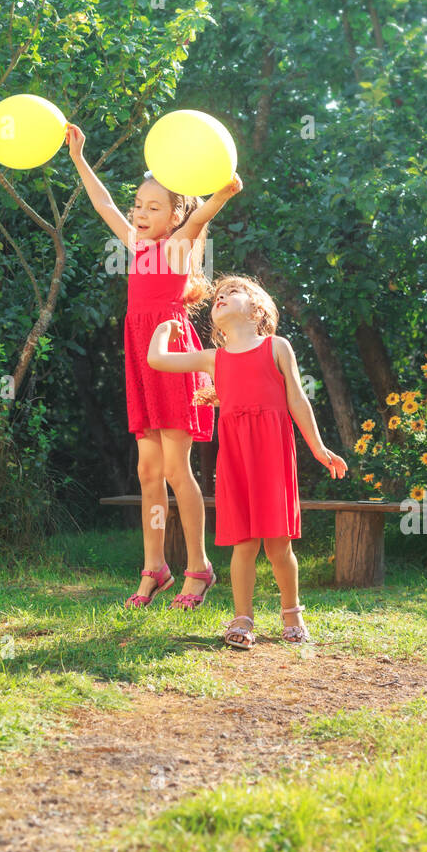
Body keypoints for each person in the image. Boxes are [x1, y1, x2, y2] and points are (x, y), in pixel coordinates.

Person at [66, 122, 241, 607]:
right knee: (148, 471)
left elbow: (201, 216)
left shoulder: (178, 247)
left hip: (172, 356)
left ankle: (199, 567)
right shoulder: (136, 246)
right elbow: (102, 202)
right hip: (142, 359)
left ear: (173, 215)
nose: (139, 214)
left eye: (152, 207)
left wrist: (222, 192)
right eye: (138, 205)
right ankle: (155, 566)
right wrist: (80, 158)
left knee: (176, 469)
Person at [148, 274, 347, 648]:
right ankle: (243, 618)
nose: (221, 297)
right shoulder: (213, 358)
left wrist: (319, 448)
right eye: (217, 296)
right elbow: (156, 359)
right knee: (243, 544)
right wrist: (163, 328)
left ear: (257, 308)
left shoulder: (277, 347)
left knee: (277, 545)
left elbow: (297, 401)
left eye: (232, 292)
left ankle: (292, 615)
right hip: (236, 458)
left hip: (272, 453)